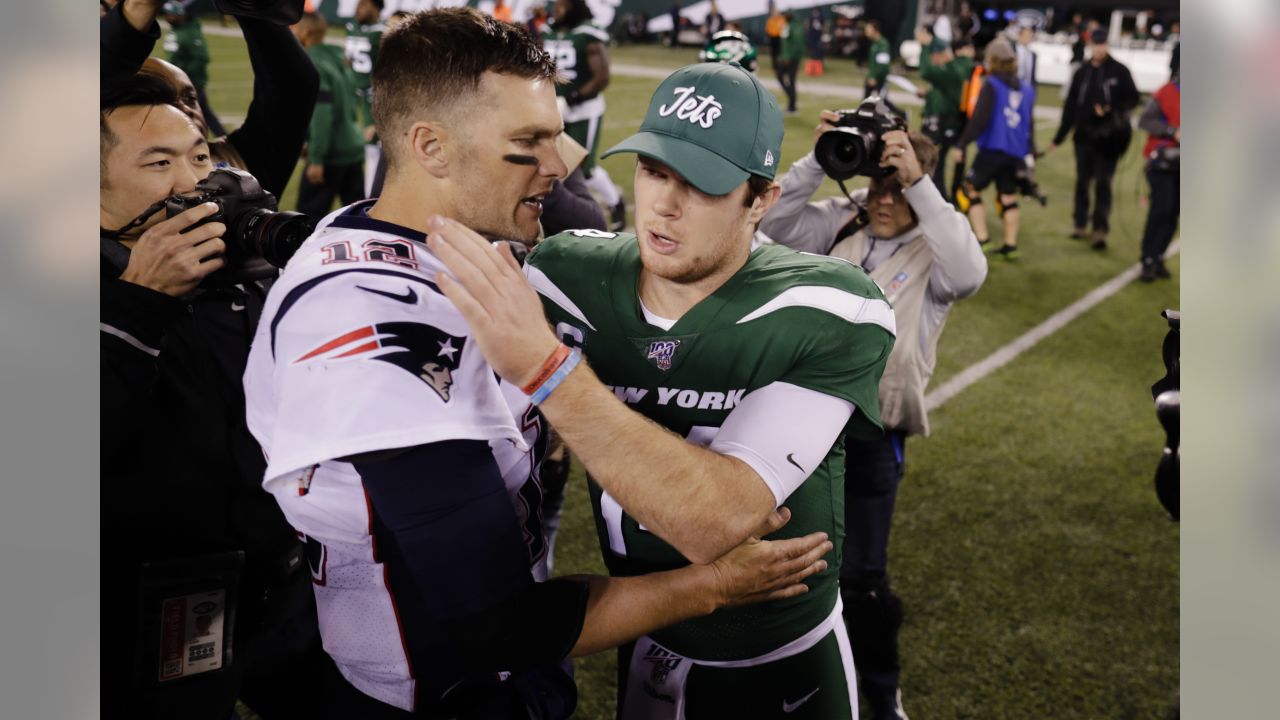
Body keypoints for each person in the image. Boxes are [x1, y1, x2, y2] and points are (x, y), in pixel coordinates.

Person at [242, 11, 831, 718]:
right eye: (528, 143)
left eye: (555, 135)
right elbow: (497, 625)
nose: (559, 164)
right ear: (430, 146)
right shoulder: (366, 330)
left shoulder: (432, 237)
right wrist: (710, 587)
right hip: (437, 694)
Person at [433, 60, 897, 720]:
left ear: (761, 199)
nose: (664, 205)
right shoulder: (566, 273)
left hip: (786, 658)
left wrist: (551, 373)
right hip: (650, 644)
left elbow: (717, 519)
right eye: (653, 170)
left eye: (702, 186)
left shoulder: (828, 307)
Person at [100, 72, 331, 720]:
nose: (193, 181)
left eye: (199, 155)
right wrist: (137, 306)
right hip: (148, 612)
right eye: (159, 161)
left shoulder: (232, 273)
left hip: (282, 582)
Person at [760, 110, 986, 720]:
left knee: (862, 579)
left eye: (896, 186)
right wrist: (820, 159)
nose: (882, 197)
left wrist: (918, 182)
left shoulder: (936, 249)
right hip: (798, 428)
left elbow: (970, 272)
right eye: (876, 182)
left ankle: (881, 695)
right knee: (788, 568)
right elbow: (773, 222)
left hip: (871, 437)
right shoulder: (843, 221)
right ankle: (798, 682)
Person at [101, 0, 318, 199]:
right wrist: (139, 7)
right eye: (161, 105)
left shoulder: (237, 167)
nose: (181, 112)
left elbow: (292, 88)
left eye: (188, 97)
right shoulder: (100, 181)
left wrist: (250, 6)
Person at [1049, 28, 1139, 250]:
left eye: (1102, 44)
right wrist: (1059, 137)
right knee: (1082, 181)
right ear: (1090, 45)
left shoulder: (1119, 71)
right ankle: (1080, 223)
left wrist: (1111, 110)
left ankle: (1100, 229)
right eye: (1095, 44)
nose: (1099, 48)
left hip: (1109, 139)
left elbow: (1133, 99)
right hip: (1084, 137)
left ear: (1107, 45)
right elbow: (1070, 107)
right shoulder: (1082, 72)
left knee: (1103, 183)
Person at [543, 0, 627, 231]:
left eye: (561, 6)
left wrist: (575, 97)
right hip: (555, 108)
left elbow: (602, 76)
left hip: (583, 110)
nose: (556, 10)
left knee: (583, 169)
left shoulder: (587, 33)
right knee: (557, 165)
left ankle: (615, 202)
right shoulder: (547, 31)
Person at [952, 37, 1036, 259]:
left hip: (992, 151)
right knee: (1008, 196)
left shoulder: (992, 85)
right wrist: (1030, 152)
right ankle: (1010, 245)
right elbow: (1030, 123)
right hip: (1016, 153)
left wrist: (961, 143)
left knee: (969, 189)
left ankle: (983, 240)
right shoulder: (1027, 89)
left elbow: (980, 120)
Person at [294, 12, 366, 221]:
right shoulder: (339, 59)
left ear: (305, 33)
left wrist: (316, 158)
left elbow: (322, 116)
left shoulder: (312, 63)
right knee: (360, 218)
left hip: (331, 154)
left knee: (306, 220)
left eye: (295, 29)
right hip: (352, 146)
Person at [1137, 72, 1180, 281]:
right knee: (1161, 210)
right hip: (1163, 162)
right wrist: (1172, 132)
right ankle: (1148, 258)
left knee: (1174, 213)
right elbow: (1144, 120)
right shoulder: (1167, 91)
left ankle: (1159, 255)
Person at [914, 26, 966, 199]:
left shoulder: (951, 69)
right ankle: (941, 197)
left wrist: (924, 46)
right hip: (945, 122)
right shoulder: (951, 69)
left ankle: (937, 198)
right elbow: (943, 89)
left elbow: (926, 71)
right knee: (937, 162)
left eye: (934, 56)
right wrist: (929, 94)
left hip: (943, 124)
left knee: (930, 161)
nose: (933, 60)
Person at [160, 1, 225, 137]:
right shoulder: (177, 30)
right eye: (167, 14)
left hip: (190, 82)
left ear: (180, 15)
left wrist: (185, 77)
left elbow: (201, 57)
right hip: (178, 82)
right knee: (203, 115)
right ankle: (225, 141)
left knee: (189, 116)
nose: (169, 17)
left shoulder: (190, 33)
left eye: (172, 14)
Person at [343, 0, 386, 196]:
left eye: (364, 5)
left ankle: (371, 195)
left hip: (372, 94)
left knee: (373, 145)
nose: (359, 8)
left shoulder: (381, 32)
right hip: (352, 92)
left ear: (376, 7)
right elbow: (348, 59)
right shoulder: (352, 27)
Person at [778, 10, 804, 114]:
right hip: (786, 57)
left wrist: (789, 56)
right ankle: (791, 102)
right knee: (784, 77)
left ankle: (792, 105)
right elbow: (786, 43)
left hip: (791, 58)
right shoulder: (788, 25)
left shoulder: (795, 26)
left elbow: (797, 44)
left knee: (789, 79)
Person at [864, 19, 890, 99]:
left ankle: (903, 112)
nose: (866, 31)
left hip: (879, 79)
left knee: (883, 102)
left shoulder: (882, 44)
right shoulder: (874, 43)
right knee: (866, 103)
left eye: (868, 28)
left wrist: (875, 77)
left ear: (875, 30)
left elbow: (883, 65)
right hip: (871, 77)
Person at [765, 1, 785, 69]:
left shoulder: (782, 19)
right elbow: (767, 29)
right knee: (773, 53)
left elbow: (784, 28)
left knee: (780, 52)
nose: (776, 13)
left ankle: (780, 65)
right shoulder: (770, 20)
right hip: (772, 38)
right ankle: (774, 66)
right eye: (774, 12)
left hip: (779, 37)